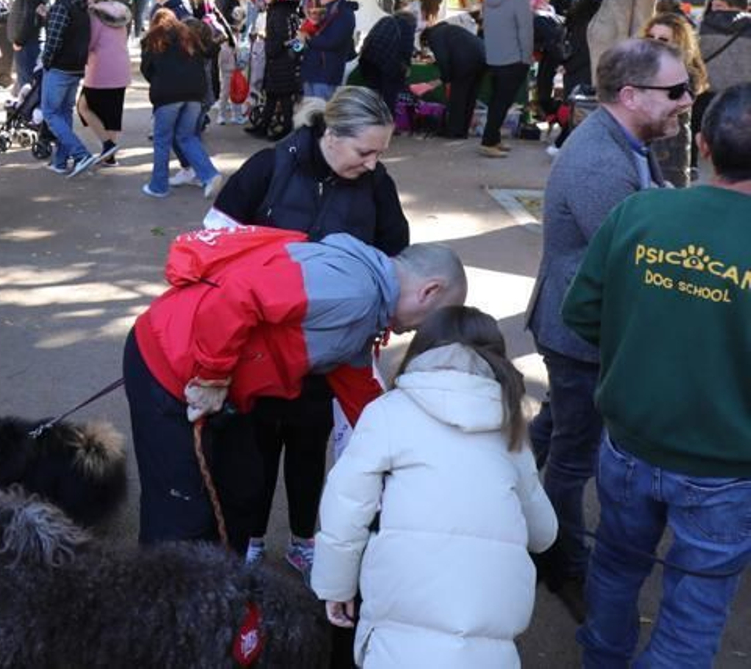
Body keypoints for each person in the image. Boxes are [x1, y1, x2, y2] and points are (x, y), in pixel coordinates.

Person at [562, 83, 751, 668]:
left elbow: (581, 313)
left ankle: (602, 657)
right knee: (697, 605)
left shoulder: (640, 211)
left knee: (616, 567)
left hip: (628, 443)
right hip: (725, 467)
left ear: (702, 143)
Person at [125, 229, 467, 551]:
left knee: (242, 492)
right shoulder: (354, 289)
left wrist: (403, 451)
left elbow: (357, 386)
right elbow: (239, 294)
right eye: (430, 321)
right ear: (429, 291)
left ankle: (222, 592)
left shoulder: (369, 308)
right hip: (171, 367)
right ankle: (167, 605)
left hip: (220, 384)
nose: (418, 332)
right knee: (180, 513)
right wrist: (213, 377)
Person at [524, 37, 689, 617]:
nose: (686, 101)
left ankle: (510, 499)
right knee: (573, 458)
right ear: (631, 95)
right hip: (580, 336)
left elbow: (653, 207)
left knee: (555, 431)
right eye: (674, 91)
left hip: (580, 330)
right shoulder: (600, 160)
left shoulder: (628, 140)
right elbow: (635, 257)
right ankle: (560, 562)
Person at [213, 87, 409, 573]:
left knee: (308, 450)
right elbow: (215, 241)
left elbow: (395, 255)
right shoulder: (270, 167)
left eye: (380, 152)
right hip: (261, 348)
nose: (372, 163)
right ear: (331, 134)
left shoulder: (376, 184)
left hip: (329, 355)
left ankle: (304, 538)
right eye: (365, 151)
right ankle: (250, 539)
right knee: (253, 451)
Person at [313, 306, 556, 667]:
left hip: (398, 624)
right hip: (488, 638)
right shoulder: (511, 426)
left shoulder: (387, 412)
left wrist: (336, 587)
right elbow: (544, 533)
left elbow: (345, 505)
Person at [140, 9, 221, 199]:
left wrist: (159, 81)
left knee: (162, 140)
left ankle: (158, 186)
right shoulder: (188, 35)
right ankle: (210, 174)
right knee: (187, 137)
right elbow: (209, 51)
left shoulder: (154, 37)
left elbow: (147, 69)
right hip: (194, 93)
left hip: (167, 94)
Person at [35, 0, 99, 176]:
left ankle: (81, 154)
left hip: (60, 67)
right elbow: (69, 31)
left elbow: (54, 39)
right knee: (63, 113)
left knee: (51, 113)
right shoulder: (81, 3)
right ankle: (60, 161)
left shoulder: (63, 4)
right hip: (76, 67)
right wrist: (48, 17)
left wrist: (46, 61)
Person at [643, 10, 709, 185]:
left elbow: (672, 105)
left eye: (663, 39)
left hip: (668, 153)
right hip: (642, 148)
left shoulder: (687, 74)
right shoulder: (639, 65)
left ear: (679, 43)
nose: (654, 43)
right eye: (651, 36)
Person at [479, 0, 534, 157]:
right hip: (514, 58)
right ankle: (488, 141)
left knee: (497, 100)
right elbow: (525, 31)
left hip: (493, 56)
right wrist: (527, 57)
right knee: (502, 102)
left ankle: (493, 138)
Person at [419, 0, 487, 139]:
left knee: (458, 97)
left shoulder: (435, 36)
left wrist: (446, 78)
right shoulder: (447, 29)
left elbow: (443, 59)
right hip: (482, 58)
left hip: (466, 63)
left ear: (426, 40)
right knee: (470, 97)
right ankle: (462, 131)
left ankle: (452, 131)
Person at [79, 0, 131, 167]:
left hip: (100, 68)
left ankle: (107, 144)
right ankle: (110, 156)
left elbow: (89, 42)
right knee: (113, 113)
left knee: (83, 106)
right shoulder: (121, 11)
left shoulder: (94, 14)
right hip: (121, 67)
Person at [249, 0, 301, 141]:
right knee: (273, 94)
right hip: (282, 58)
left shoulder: (279, 11)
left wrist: (270, 47)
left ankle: (287, 129)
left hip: (281, 59)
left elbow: (283, 37)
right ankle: (264, 126)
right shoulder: (284, 9)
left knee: (283, 96)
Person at [357, 6, 418, 121]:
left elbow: (369, 37)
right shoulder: (407, 25)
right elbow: (406, 48)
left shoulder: (385, 20)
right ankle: (387, 124)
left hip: (368, 59)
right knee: (390, 93)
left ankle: (369, 121)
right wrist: (407, 66)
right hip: (387, 62)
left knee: (373, 92)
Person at [300, 0, 356, 101]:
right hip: (314, 71)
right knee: (310, 113)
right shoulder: (328, 10)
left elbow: (332, 41)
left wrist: (308, 39)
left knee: (321, 113)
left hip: (325, 74)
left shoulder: (344, 12)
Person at [6, 0, 49, 89]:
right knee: (26, 84)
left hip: (28, 45)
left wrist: (19, 41)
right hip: (29, 44)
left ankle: (27, 110)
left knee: (28, 87)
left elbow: (30, 18)